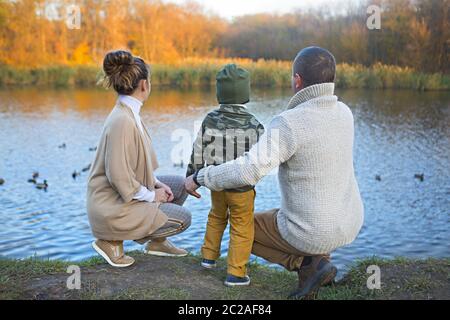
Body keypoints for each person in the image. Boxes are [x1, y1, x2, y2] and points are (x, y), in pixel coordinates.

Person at [186, 47, 364, 299]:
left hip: (312, 230)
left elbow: (248, 171)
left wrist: (199, 177)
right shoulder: (345, 113)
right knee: (304, 206)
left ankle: (305, 265)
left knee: (243, 227)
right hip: (348, 222)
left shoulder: (289, 122)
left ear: (297, 80)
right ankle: (319, 262)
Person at [87, 50, 191, 268]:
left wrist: (156, 183)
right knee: (183, 218)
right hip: (112, 207)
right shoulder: (121, 120)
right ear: (144, 84)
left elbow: (133, 164)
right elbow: (118, 175)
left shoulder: (130, 113)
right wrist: (153, 196)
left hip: (125, 196)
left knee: (180, 186)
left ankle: (157, 243)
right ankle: (110, 241)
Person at [186, 64, 265, 287]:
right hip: (242, 188)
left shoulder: (210, 119)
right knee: (241, 225)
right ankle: (236, 273)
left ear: (220, 92)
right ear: (245, 93)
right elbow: (263, 157)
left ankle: (208, 257)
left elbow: (198, 149)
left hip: (216, 185)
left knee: (216, 217)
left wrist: (192, 177)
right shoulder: (255, 124)